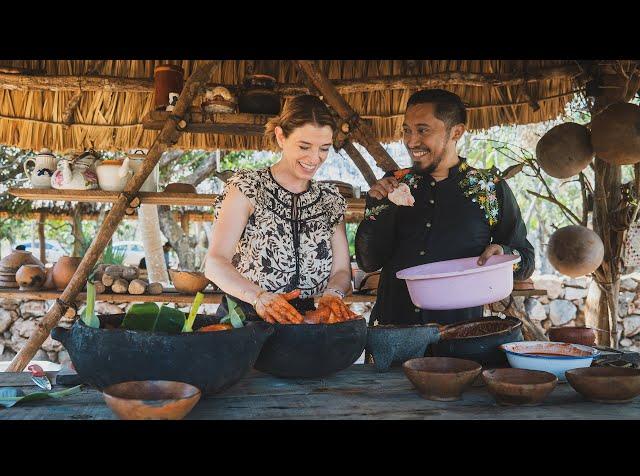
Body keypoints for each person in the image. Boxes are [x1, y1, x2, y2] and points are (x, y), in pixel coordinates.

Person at [355, 89, 535, 326]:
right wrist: (378, 208)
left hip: (460, 336)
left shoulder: (489, 189)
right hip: (393, 332)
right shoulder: (393, 185)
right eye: (407, 130)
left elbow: (526, 260)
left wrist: (502, 252)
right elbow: (368, 262)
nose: (411, 141)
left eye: (423, 130)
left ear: (456, 132)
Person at [205, 95, 354, 324]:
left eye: (324, 148)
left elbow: (342, 271)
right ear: (281, 136)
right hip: (245, 318)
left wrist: (333, 295)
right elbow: (215, 263)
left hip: (306, 323)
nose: (314, 158)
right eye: (304, 146)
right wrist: (259, 298)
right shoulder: (247, 188)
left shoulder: (329, 201)